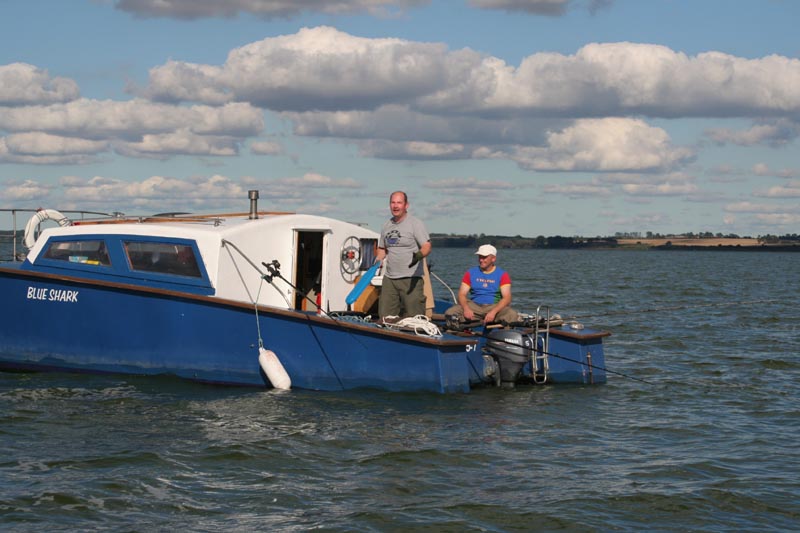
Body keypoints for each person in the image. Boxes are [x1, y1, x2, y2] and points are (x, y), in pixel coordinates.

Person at [375, 191, 431, 318]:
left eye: (399, 203)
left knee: (414, 318)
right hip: (390, 279)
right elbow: (382, 249)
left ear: (406, 205)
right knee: (385, 317)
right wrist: (377, 261)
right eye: (393, 202)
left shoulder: (415, 223)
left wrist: (418, 256)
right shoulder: (386, 225)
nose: (395, 206)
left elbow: (427, 246)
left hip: (411, 278)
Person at [445, 244, 519, 325]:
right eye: (480, 257)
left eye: (484, 257)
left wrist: (493, 312)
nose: (481, 260)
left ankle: (501, 331)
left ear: (493, 259)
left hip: (493, 306)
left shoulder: (502, 275)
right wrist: (466, 309)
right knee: (450, 312)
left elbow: (507, 298)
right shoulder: (471, 273)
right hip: (474, 306)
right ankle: (459, 331)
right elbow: (461, 295)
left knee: (512, 314)